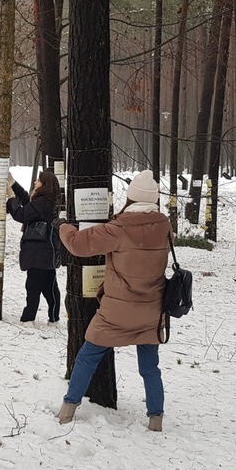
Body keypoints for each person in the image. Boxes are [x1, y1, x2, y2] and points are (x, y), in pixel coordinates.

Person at [54, 170, 170, 432]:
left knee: (87, 356)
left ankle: (67, 411)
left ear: (130, 199)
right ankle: (156, 420)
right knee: (150, 368)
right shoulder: (165, 227)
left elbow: (78, 244)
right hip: (152, 310)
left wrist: (62, 226)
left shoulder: (118, 229)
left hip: (116, 311)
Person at [6, 169, 63, 323]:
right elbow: (28, 203)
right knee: (49, 287)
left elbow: (22, 214)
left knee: (33, 287)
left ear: (44, 185)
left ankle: (28, 318)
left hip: (38, 253)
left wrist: (11, 199)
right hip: (47, 253)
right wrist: (13, 184)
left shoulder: (41, 203)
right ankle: (54, 317)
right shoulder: (46, 201)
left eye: (38, 181)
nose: (35, 183)